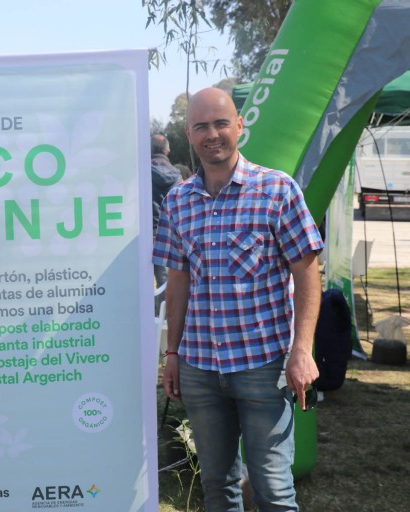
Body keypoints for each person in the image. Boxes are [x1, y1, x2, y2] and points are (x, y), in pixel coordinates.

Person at [154, 87, 324, 511]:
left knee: (274, 492)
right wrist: (172, 353)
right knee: (217, 488)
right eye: (201, 126)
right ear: (188, 134)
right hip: (199, 368)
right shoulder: (178, 201)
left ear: (239, 126)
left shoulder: (277, 190)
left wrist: (302, 350)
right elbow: (178, 282)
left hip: (262, 366)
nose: (212, 134)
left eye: (221, 123)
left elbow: (307, 274)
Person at [150, 133, 181, 311]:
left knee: (146, 280)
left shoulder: (141, 174)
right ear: (167, 151)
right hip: (170, 233)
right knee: (167, 279)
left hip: (147, 233)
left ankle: (151, 316)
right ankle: (164, 315)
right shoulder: (178, 176)